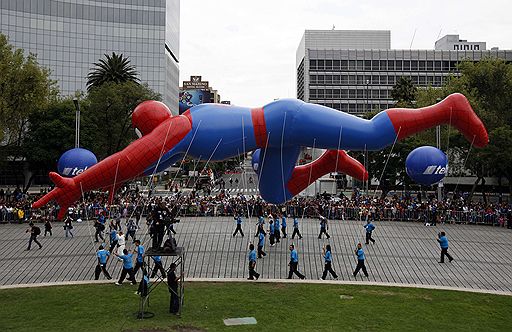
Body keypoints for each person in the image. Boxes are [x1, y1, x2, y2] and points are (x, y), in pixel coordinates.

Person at [33, 94, 488, 220]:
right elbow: (131, 169)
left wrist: (79, 183)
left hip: (283, 120)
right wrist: (91, 186)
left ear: (149, 122)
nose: (140, 136)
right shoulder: (175, 140)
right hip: (271, 138)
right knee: (273, 193)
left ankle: (447, 107)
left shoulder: (176, 128)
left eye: (139, 129)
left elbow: (127, 161)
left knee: (370, 134)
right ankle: (329, 162)